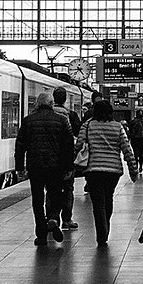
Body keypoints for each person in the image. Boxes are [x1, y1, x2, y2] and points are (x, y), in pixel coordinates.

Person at [16, 92, 75, 246]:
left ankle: (41, 234)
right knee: (56, 195)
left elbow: (20, 145)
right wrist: (69, 166)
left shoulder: (28, 121)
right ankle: (54, 218)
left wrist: (19, 167)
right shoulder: (62, 120)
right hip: (56, 166)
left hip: (35, 166)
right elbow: (69, 146)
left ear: (37, 104)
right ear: (51, 104)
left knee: (37, 200)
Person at [79, 97, 139, 248]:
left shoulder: (87, 126)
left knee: (97, 202)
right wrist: (133, 170)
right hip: (113, 170)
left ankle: (101, 233)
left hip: (93, 170)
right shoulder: (117, 127)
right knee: (108, 198)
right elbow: (127, 149)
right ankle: (105, 227)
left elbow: (79, 145)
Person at [53, 87, 82, 230]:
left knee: (52, 190)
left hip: (50, 161)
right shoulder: (71, 115)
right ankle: (66, 219)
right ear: (65, 99)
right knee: (68, 189)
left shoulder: (46, 114)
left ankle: (51, 217)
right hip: (66, 159)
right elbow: (77, 135)